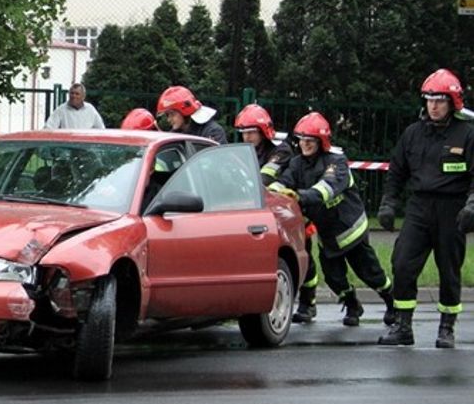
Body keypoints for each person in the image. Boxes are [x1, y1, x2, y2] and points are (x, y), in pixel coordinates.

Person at [268, 112, 395, 327]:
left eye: (310, 141)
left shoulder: (336, 162)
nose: (305, 144)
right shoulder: (297, 163)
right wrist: (270, 192)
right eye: (302, 140)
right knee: (333, 276)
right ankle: (352, 303)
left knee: (370, 272)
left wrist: (300, 196)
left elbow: (326, 189)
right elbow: (285, 181)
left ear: (321, 141)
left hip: (349, 228)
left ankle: (392, 304)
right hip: (327, 233)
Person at [377, 69, 474, 348]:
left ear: (453, 102)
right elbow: (396, 172)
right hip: (418, 208)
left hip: (452, 210)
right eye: (429, 99)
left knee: (449, 270)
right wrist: (388, 204)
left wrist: (471, 206)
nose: (433, 105)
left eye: (440, 100)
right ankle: (403, 325)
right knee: (403, 264)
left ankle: (446, 328)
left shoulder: (466, 135)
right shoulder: (413, 134)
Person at [235, 104, 321, 322]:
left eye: (251, 132)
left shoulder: (280, 150)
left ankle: (308, 303)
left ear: (263, 131)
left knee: (304, 256)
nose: (247, 137)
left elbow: (264, 176)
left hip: (286, 211)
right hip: (257, 210)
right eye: (244, 133)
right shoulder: (243, 152)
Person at [155, 85, 226, 143]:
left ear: (185, 110)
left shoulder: (212, 131)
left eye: (172, 114)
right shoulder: (175, 134)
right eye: (167, 115)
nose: (169, 119)